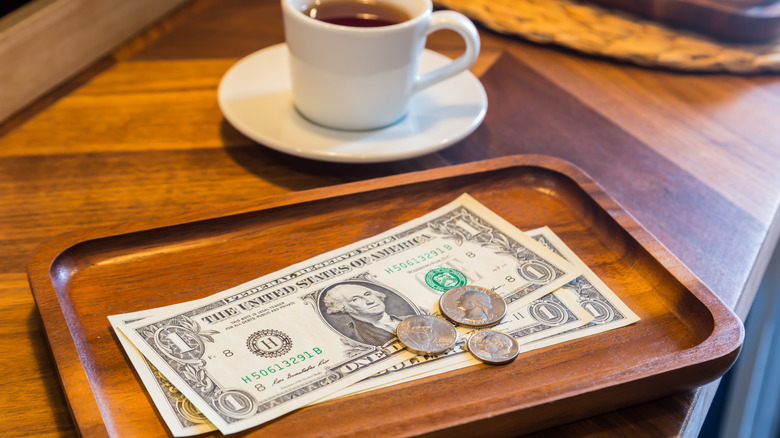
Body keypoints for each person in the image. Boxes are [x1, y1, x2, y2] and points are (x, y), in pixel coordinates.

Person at [322, 282, 410, 346]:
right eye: (355, 299)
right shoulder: (357, 340)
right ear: (343, 308)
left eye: (367, 294)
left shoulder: (410, 318)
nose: (370, 301)